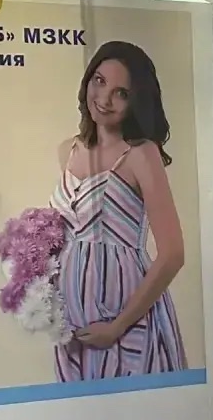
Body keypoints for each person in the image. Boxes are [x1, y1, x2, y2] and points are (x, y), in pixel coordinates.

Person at [51, 40, 188, 380]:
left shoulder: (141, 154)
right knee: (82, 411)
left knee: (133, 409)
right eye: (99, 81)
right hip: (73, 328)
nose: (104, 98)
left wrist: (117, 326)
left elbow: (173, 254)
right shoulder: (67, 150)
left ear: (136, 101)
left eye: (121, 93)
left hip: (126, 322)